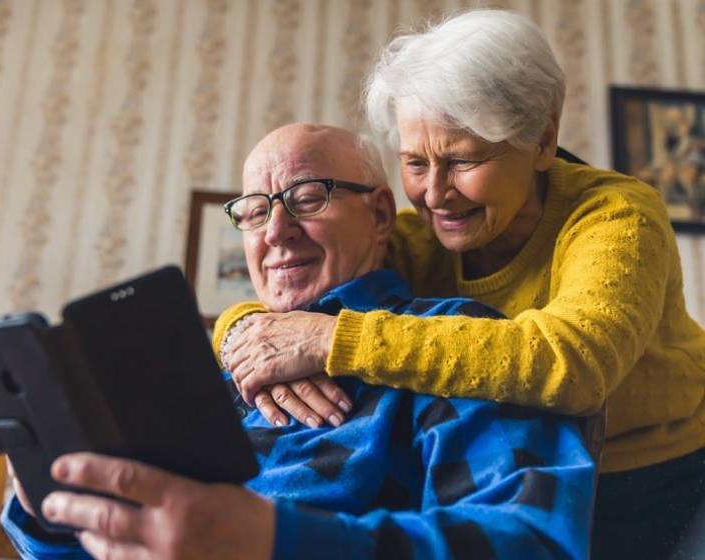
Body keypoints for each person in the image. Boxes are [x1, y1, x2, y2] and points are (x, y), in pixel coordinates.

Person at [215, 10, 705, 560]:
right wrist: (245, 330)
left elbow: (573, 364)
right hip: (533, 473)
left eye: (463, 160)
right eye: (415, 162)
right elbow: (298, 290)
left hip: (662, 469)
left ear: (542, 139)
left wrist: (329, 339)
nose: (434, 194)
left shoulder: (615, 216)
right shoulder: (414, 237)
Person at [1, 123, 596, 559]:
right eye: (255, 212)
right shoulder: (221, 369)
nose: (277, 232)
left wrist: (276, 542)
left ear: (382, 216)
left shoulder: (458, 344)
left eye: (308, 198)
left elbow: (531, 543)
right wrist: (48, 511)